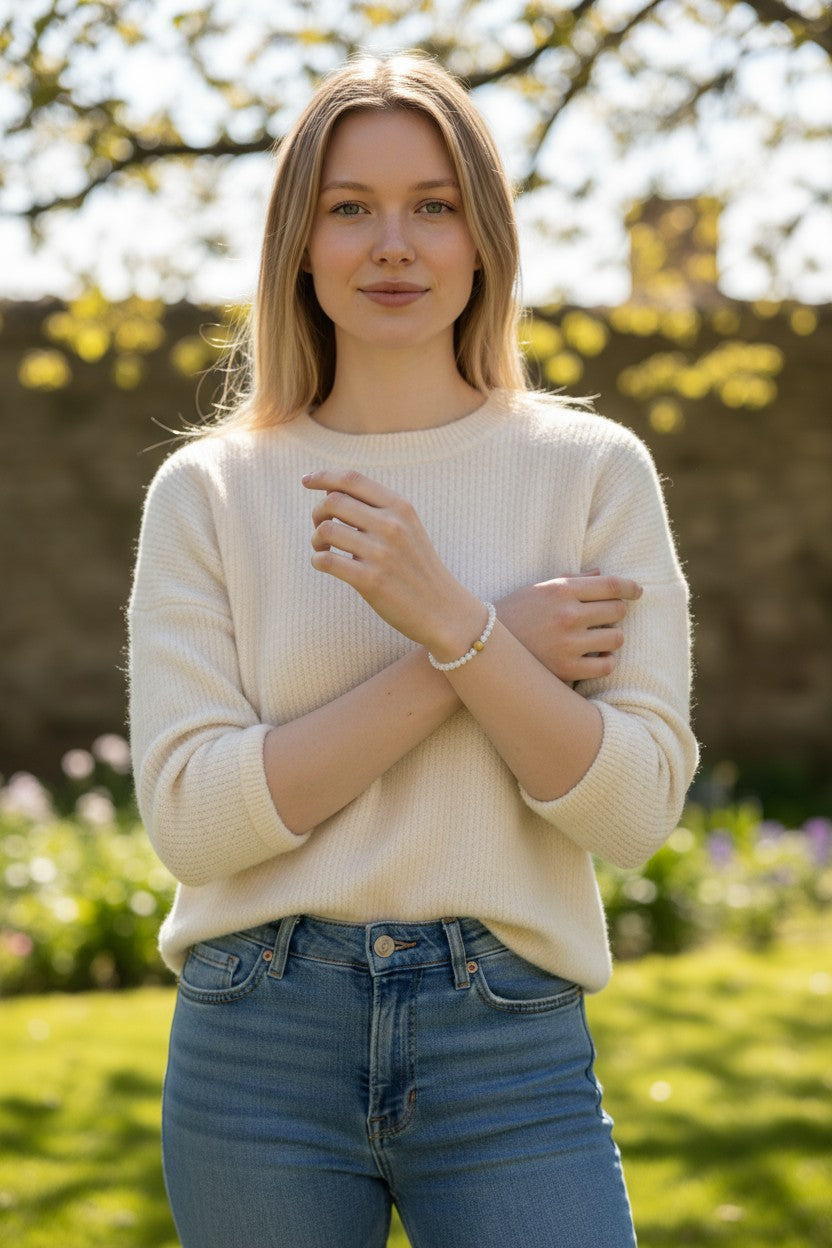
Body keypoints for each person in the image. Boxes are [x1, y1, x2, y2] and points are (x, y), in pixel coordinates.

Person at [127, 50, 698, 1248]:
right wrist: (472, 659)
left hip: (510, 1038)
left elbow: (634, 813)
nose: (394, 244)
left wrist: (454, 620)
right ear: (300, 241)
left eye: (433, 205)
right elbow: (193, 820)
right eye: (350, 209)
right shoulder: (210, 493)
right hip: (257, 1039)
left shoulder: (590, 475)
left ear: (482, 237)